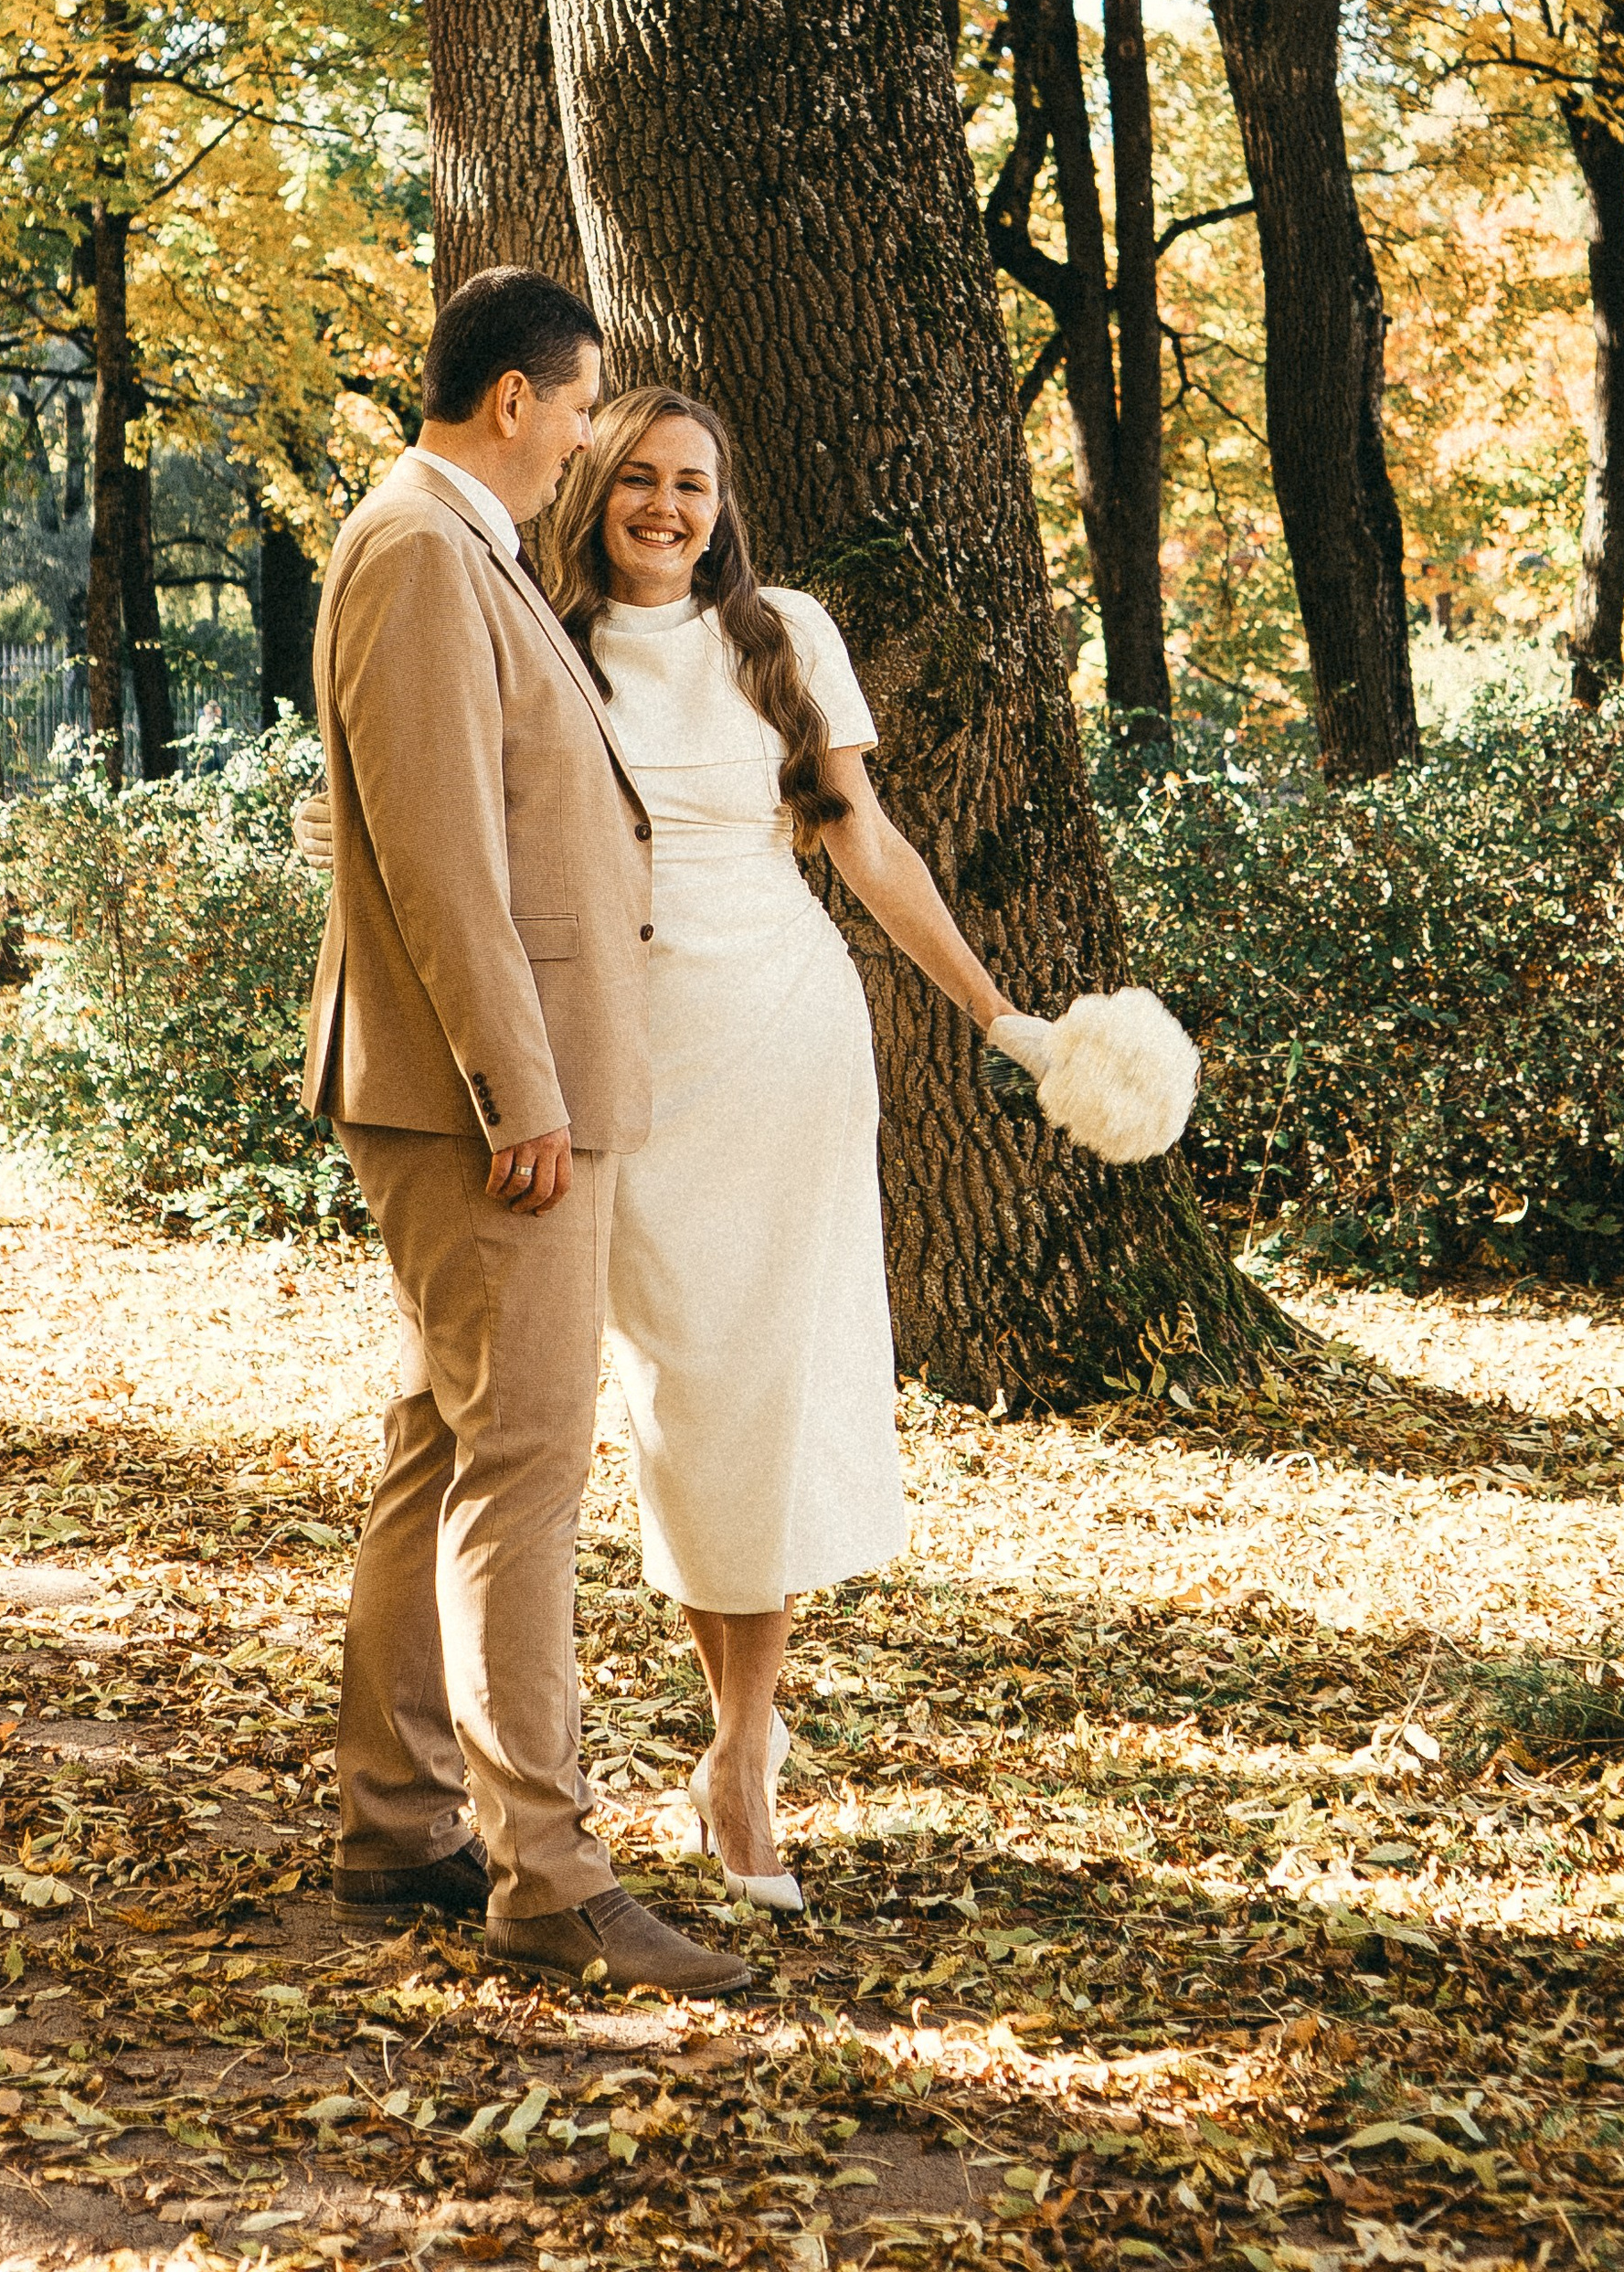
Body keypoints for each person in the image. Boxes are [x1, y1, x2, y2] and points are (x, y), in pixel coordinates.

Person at [301, 271, 751, 2000]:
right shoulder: (421, 549)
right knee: (527, 1470)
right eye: (577, 413)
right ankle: (549, 1880)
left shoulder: (451, 543)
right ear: (514, 400)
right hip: (478, 1102)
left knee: (443, 1447)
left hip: (470, 1091)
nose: (586, 442)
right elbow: (440, 863)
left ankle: (398, 1821)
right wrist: (522, 1097)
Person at [547, 386, 1022, 1911]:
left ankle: (742, 1750)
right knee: (683, 1393)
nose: (667, 508)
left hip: (786, 1041)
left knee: (773, 1385)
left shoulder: (786, 635)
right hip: (628, 1060)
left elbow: (864, 846)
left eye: (694, 482)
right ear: (595, 490)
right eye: (638, 479)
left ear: (722, 501)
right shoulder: (541, 638)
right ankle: (729, 1737)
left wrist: (997, 1013)